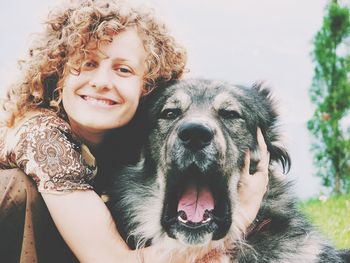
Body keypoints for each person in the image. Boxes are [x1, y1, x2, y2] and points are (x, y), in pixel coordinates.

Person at [0, 0, 269, 262]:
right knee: (17, 187)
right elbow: (109, 259)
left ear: (147, 86)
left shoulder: (124, 139)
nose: (102, 82)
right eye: (87, 63)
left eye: (123, 69)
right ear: (57, 76)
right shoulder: (42, 138)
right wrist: (243, 214)